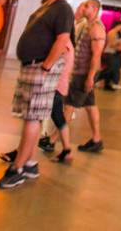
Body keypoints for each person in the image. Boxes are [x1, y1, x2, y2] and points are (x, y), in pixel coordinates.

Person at [0, 0, 74, 189]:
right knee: (32, 116)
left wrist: (46, 66)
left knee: (32, 117)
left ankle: (18, 168)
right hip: (31, 67)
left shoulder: (63, 9)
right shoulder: (48, 6)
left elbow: (62, 40)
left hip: (40, 68)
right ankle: (30, 163)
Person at [68, 0, 107, 153]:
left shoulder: (96, 28)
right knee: (90, 106)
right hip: (80, 71)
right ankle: (96, 140)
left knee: (69, 105)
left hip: (84, 73)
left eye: (86, 6)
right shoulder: (86, 25)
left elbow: (96, 56)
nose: (83, 8)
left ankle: (52, 139)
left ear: (95, 9)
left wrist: (90, 77)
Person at [39, 34, 76, 162]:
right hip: (58, 85)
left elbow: (51, 60)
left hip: (56, 85)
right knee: (57, 116)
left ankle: (67, 150)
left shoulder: (64, 43)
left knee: (55, 116)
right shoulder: (68, 42)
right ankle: (66, 150)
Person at [97, 20, 121, 90]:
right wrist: (119, 44)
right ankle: (96, 79)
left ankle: (107, 85)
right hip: (109, 53)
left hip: (114, 53)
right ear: (118, 25)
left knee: (112, 69)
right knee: (109, 69)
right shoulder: (112, 32)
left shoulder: (119, 33)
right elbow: (111, 44)